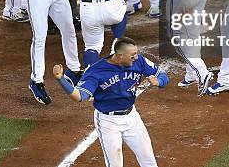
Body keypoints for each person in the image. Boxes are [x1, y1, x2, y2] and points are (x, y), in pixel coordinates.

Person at [52, 36, 169, 167]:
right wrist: (60, 79)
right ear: (119, 56)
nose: (136, 57)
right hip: (108, 122)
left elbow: (162, 75)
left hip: (132, 117)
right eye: (132, 55)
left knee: (149, 160)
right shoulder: (96, 72)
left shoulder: (138, 61)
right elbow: (79, 96)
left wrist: (159, 82)